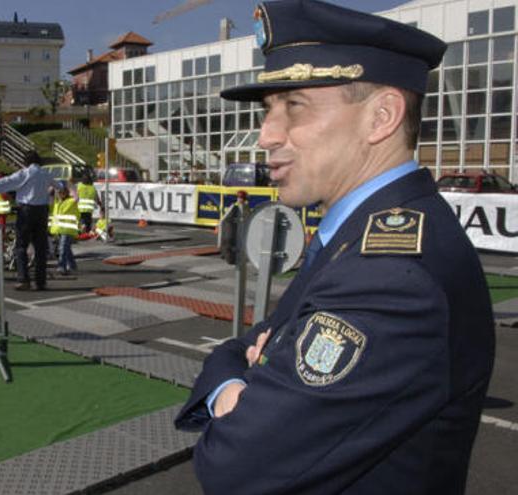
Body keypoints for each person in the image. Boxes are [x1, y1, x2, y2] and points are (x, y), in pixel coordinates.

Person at [174, 1, 495, 494]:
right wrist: (240, 380)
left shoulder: (390, 275)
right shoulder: (361, 238)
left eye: (294, 106)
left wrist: (244, 383)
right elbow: (243, 346)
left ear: (381, 116)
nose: (265, 136)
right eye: (267, 111)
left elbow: (235, 467)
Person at [0, 151, 55, 290]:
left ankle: (23, 279)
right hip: (42, 211)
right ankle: (41, 281)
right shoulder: (46, 173)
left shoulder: (25, 173)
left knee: (21, 246)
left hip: (26, 211)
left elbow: (5, 182)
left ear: (26, 162)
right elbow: (59, 185)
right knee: (40, 248)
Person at [49, 180, 79, 276]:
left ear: (67, 192)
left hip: (68, 230)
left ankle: (61, 266)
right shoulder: (56, 203)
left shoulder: (71, 201)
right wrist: (52, 188)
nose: (60, 193)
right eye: (58, 192)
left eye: (62, 191)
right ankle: (73, 265)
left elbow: (76, 196)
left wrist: (68, 184)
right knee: (66, 248)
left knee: (62, 248)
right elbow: (49, 196)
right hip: (59, 230)